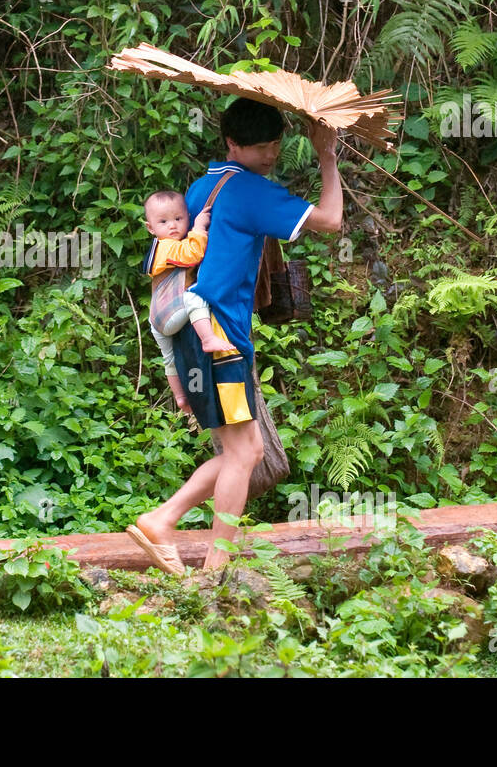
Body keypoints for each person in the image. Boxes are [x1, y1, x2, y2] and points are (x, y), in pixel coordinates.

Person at [126, 98, 343, 574]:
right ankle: (213, 566)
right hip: (218, 338)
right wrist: (326, 155)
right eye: (261, 147)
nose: (270, 155)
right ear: (232, 143)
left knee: (244, 451)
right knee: (245, 452)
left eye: (275, 146)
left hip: (190, 331)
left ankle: (163, 521)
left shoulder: (201, 187)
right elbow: (331, 221)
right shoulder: (250, 191)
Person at [142, 190, 235, 413]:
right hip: (170, 314)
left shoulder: (158, 249)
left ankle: (181, 398)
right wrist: (198, 228)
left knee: (170, 360)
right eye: (163, 221)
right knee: (196, 294)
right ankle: (208, 338)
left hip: (156, 318)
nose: (172, 226)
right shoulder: (165, 247)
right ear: (151, 228)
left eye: (178, 219)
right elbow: (192, 254)